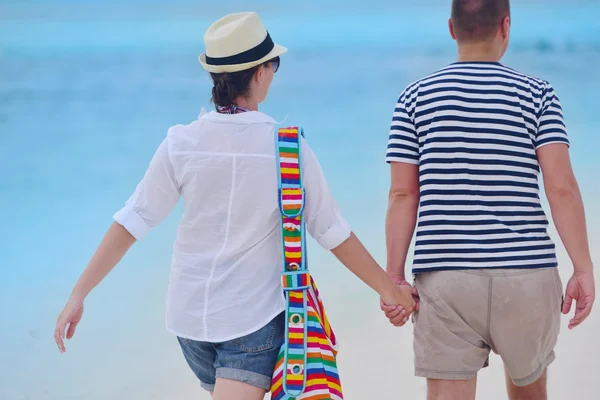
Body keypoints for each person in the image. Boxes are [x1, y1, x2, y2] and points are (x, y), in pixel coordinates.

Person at [54, 12, 415, 400]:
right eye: (273, 64)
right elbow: (331, 231)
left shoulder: (181, 142)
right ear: (260, 73)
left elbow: (133, 220)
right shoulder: (287, 147)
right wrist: (391, 290)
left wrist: (79, 293)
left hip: (188, 320)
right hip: (251, 322)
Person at [381, 1, 595, 399]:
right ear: (506, 26)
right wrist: (582, 268)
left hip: (446, 276)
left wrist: (393, 277)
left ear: (451, 28)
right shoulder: (539, 93)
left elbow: (403, 193)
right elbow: (561, 187)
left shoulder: (414, 97)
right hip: (526, 274)